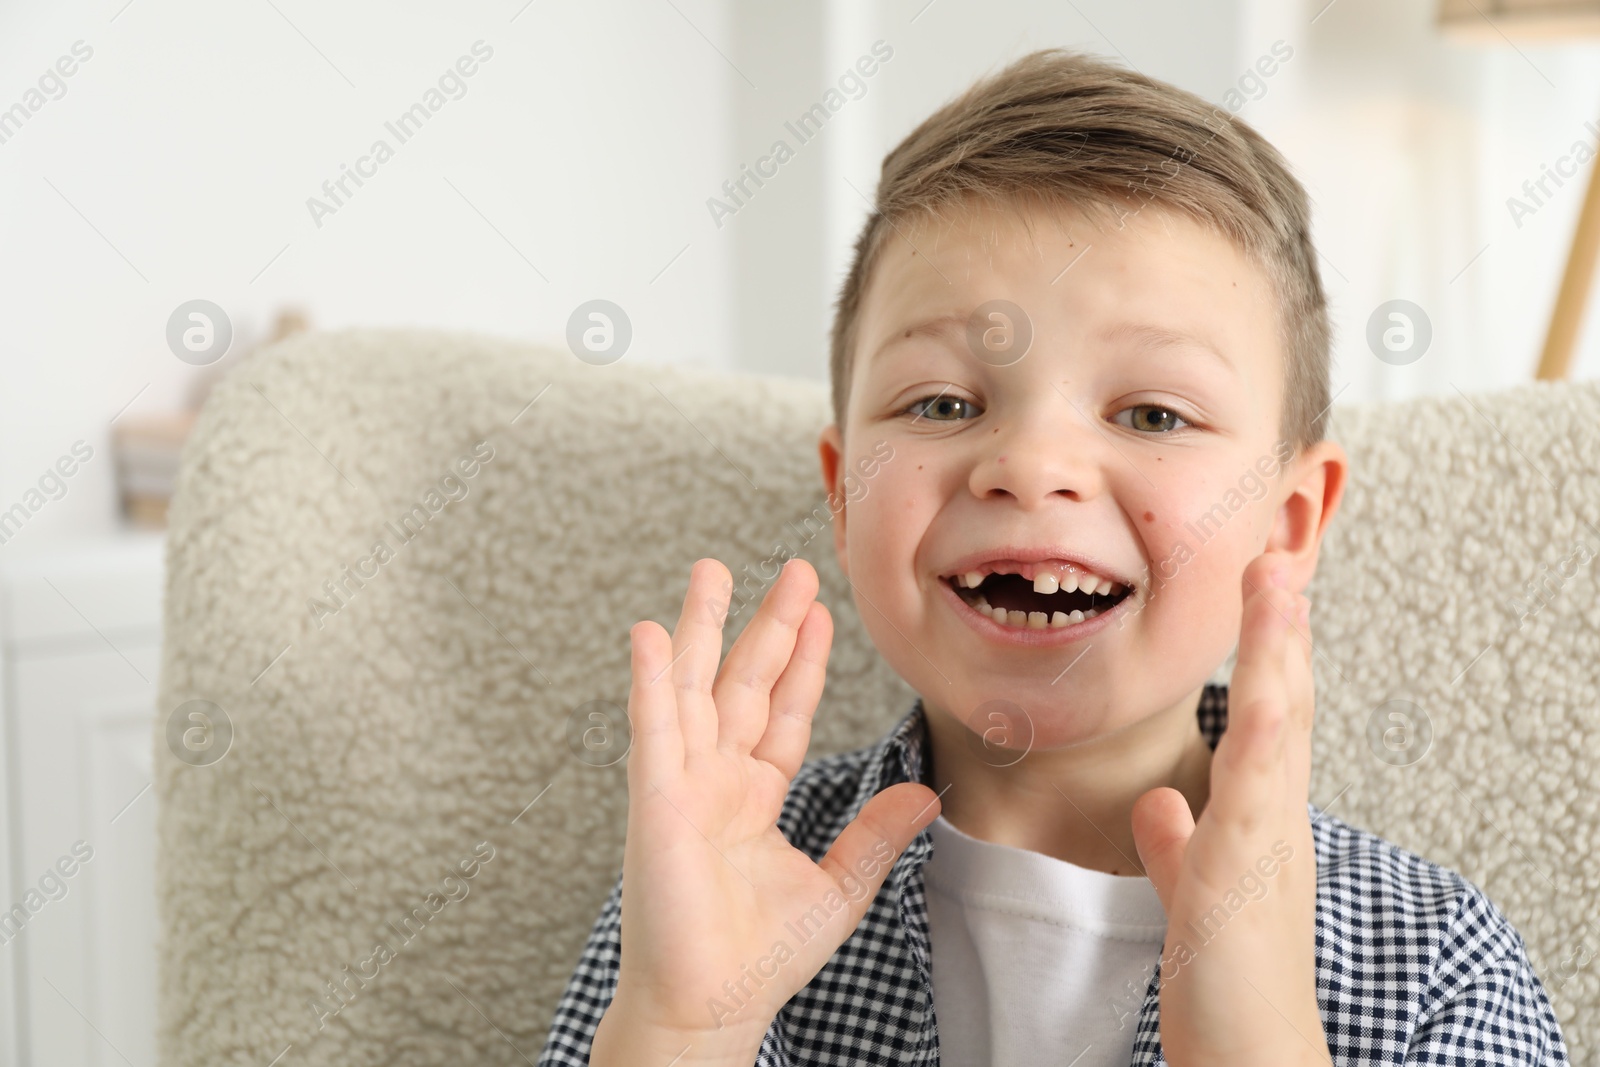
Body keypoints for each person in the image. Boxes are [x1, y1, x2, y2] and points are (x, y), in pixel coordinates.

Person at [538, 48, 1571, 1066]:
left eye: (1154, 412)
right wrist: (680, 1030)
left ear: (1290, 522)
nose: (1028, 466)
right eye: (943, 403)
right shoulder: (708, 884)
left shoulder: (1434, 960)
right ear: (845, 492)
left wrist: (1255, 1041)